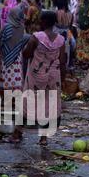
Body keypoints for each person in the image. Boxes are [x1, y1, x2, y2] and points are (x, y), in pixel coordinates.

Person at [23, 11, 66, 146]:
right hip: (54, 76)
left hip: (37, 75)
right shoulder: (61, 39)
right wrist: (62, 79)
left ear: (44, 22)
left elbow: (27, 54)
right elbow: (63, 60)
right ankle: (43, 138)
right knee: (49, 104)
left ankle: (18, 133)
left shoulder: (36, 37)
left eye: (41, 20)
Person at [0, 7, 29, 142]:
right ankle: (15, 108)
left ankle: (8, 110)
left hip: (6, 59)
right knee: (16, 83)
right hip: (17, 60)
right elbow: (24, 42)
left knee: (7, 83)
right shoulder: (22, 28)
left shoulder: (7, 27)